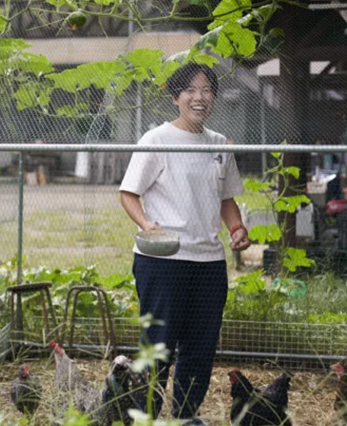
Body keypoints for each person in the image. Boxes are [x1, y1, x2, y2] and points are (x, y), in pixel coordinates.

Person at [119, 63, 250, 425]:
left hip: (209, 263)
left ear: (214, 97)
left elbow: (225, 198)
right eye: (190, 90)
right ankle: (146, 416)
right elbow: (128, 193)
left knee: (200, 347)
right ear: (175, 98)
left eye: (206, 90)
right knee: (158, 344)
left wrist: (236, 227)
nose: (199, 97)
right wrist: (147, 224)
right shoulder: (156, 140)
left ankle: (185, 416)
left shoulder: (220, 144)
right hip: (163, 260)